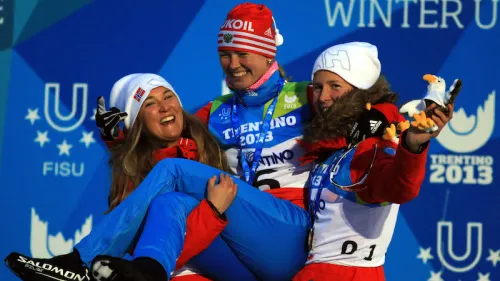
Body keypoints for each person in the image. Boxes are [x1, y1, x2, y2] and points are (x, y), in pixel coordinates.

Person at [4, 74, 259, 281]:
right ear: (138, 121)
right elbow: (153, 249)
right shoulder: (137, 178)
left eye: (169, 96)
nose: (164, 107)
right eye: (149, 104)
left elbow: (249, 100)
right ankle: (79, 263)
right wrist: (211, 211)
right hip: (180, 268)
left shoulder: (210, 140)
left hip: (240, 260)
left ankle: (77, 261)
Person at [291, 42, 455, 281]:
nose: (323, 96)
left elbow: (401, 187)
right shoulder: (334, 147)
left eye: (335, 86)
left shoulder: (373, 147)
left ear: (360, 92)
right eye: (317, 87)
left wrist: (412, 145)